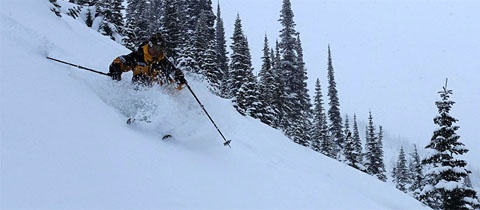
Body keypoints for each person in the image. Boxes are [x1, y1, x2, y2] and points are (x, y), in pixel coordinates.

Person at [109, 33, 186, 88]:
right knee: (141, 78)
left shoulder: (163, 62)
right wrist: (116, 70)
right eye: (155, 48)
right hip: (138, 91)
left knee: (163, 78)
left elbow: (178, 85)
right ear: (150, 45)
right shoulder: (138, 56)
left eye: (160, 49)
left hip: (159, 93)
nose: (157, 51)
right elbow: (119, 61)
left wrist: (180, 79)